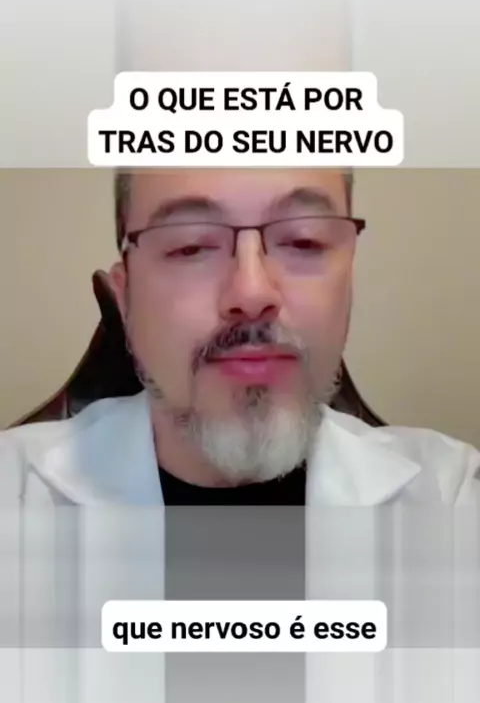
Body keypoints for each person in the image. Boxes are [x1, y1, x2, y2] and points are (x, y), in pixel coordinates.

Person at [0, 167, 479, 506]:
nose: (252, 293)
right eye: (190, 245)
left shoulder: (448, 491)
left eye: (304, 239)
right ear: (125, 299)